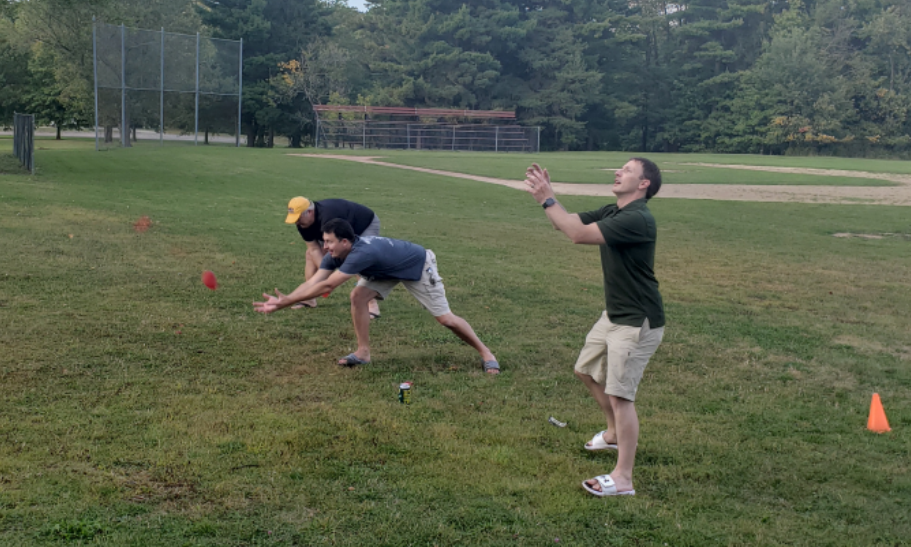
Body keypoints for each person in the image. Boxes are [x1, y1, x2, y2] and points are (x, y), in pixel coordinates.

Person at [524, 158, 666, 497]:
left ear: (644, 184)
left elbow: (577, 235)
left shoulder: (637, 218)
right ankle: (614, 433)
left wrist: (547, 198)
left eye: (628, 170)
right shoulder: (614, 210)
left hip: (636, 321)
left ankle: (623, 478)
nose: (618, 172)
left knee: (621, 395)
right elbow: (567, 223)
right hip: (614, 315)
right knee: (585, 371)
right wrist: (549, 197)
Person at [253, 218, 501, 374]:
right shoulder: (335, 253)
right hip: (384, 269)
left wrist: (286, 302)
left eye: (329, 242)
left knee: (446, 319)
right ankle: (363, 353)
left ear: (346, 242)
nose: (325, 247)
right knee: (358, 296)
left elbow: (327, 287)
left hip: (416, 264)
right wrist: (285, 300)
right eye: (324, 241)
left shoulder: (361, 254)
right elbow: (315, 281)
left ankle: (486, 353)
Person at [285, 196, 381, 317]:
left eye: (298, 218)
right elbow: (313, 249)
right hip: (337, 231)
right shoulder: (302, 223)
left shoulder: (329, 217)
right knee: (310, 255)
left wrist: (332, 276)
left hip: (364, 225)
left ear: (309, 212)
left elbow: (341, 246)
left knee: (356, 258)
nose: (297, 222)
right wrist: (324, 275)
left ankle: (372, 305)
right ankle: (309, 298)